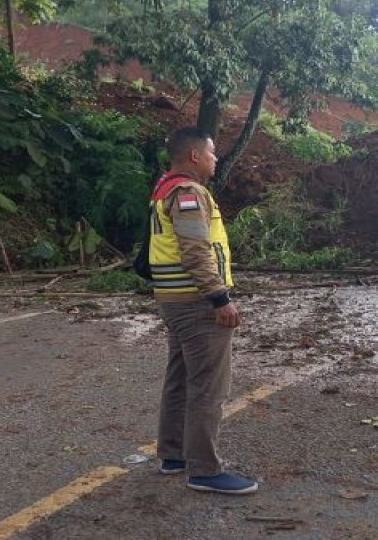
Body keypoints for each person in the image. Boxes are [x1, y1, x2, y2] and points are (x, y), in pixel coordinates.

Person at [145, 127, 258, 495]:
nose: (215, 159)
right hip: (195, 303)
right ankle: (204, 470)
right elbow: (195, 250)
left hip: (174, 300)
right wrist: (219, 298)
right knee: (208, 386)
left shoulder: (165, 187)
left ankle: (174, 454)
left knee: (180, 378)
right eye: (211, 153)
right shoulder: (189, 193)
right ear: (194, 156)